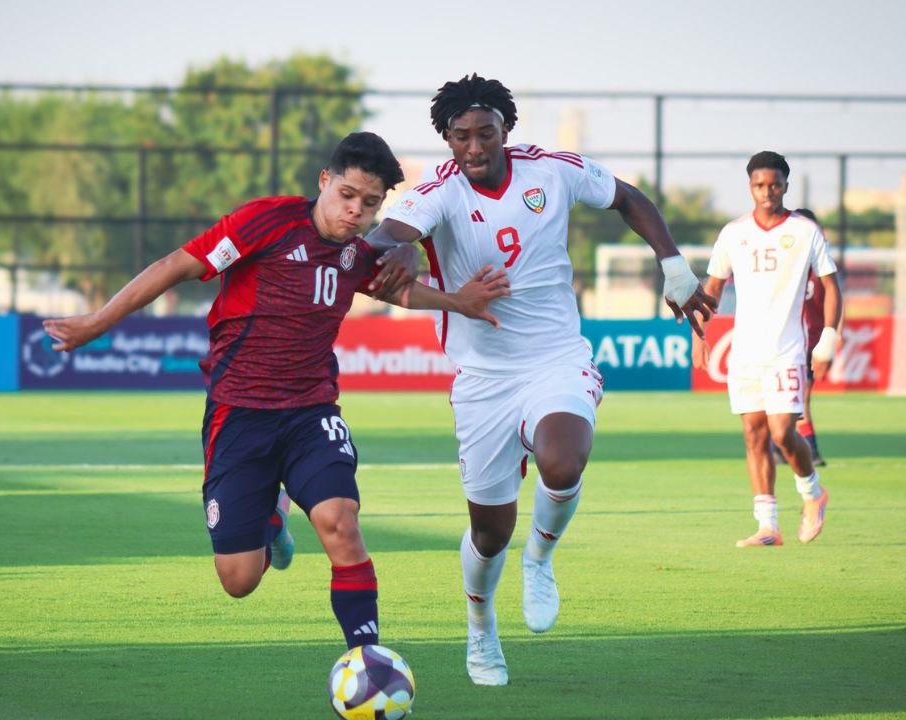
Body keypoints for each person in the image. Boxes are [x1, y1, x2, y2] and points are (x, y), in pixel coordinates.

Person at [42, 132, 508, 651]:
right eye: (347, 195)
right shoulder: (265, 222)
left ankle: (368, 658)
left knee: (340, 524)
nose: (355, 211)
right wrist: (98, 322)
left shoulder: (356, 254)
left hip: (311, 414)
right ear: (324, 181)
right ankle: (275, 513)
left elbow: (394, 288)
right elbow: (178, 264)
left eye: (370, 203)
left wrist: (457, 302)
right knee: (239, 580)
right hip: (238, 415)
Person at [365, 74, 718, 686]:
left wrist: (674, 265)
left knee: (563, 460)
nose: (473, 148)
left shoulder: (552, 170)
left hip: (557, 357)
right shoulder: (439, 191)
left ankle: (542, 559)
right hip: (482, 379)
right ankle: (481, 634)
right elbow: (387, 235)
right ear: (446, 139)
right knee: (488, 531)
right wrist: (394, 252)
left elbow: (629, 197)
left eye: (485, 133)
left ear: (506, 130)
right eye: (460, 137)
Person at [692, 151, 840, 548]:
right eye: (759, 185)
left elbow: (831, 287)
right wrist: (700, 334)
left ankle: (812, 493)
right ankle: (767, 525)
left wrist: (828, 339)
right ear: (750, 187)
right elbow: (713, 288)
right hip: (745, 352)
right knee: (753, 434)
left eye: (774, 184)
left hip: (787, 349)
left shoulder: (806, 231)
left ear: (785, 186)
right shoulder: (734, 233)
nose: (767, 192)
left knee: (781, 432)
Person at [792, 208, 842, 467]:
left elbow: (834, 299)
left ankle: (808, 449)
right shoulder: (786, 262)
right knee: (789, 398)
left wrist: (834, 335)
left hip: (812, 341)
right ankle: (795, 447)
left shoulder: (823, 266)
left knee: (802, 396)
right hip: (787, 340)